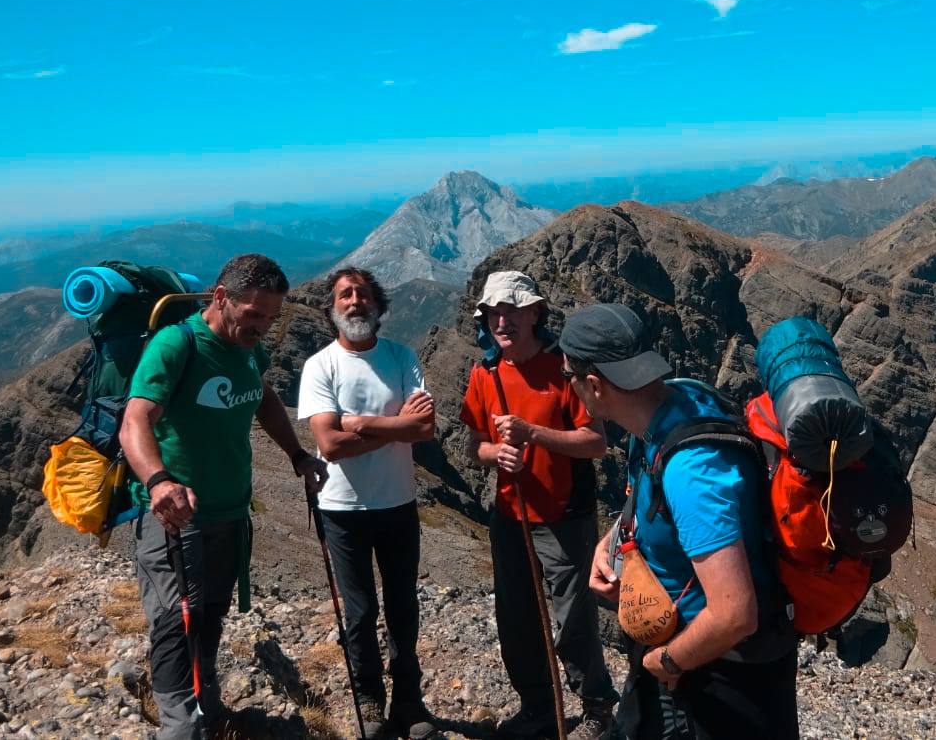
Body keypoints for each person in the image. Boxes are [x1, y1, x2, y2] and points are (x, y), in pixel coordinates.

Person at [561, 303, 799, 740]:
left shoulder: (692, 471)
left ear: (593, 385)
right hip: (689, 659)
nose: (568, 388)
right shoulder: (668, 406)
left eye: (568, 378)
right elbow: (648, 498)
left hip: (720, 678)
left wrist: (666, 661)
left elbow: (735, 614)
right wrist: (612, 542)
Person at [120, 253, 328, 740]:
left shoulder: (249, 351)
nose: (262, 326)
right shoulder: (177, 345)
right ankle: (179, 725)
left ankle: (205, 703)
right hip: (175, 518)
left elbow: (264, 398)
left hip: (231, 512)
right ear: (221, 299)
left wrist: (298, 455)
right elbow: (135, 421)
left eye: (272, 317)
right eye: (253, 314)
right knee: (175, 620)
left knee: (210, 612)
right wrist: (158, 481)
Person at [460, 271, 618, 740]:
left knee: (573, 619)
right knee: (516, 618)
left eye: (511, 311)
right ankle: (539, 707)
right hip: (510, 515)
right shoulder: (484, 372)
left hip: (564, 515)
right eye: (493, 313)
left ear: (534, 314)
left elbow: (596, 442)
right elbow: (475, 446)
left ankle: (595, 707)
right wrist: (495, 454)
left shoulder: (563, 368)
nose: (501, 321)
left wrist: (533, 436)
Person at [297, 267, 438, 739]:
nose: (354, 301)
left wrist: (358, 422)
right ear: (332, 309)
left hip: (399, 503)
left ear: (377, 306)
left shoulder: (402, 357)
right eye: (344, 295)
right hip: (341, 510)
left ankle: (409, 703)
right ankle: (369, 703)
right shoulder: (320, 366)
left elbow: (425, 428)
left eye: (362, 294)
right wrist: (391, 424)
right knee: (358, 613)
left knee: (402, 607)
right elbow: (329, 445)